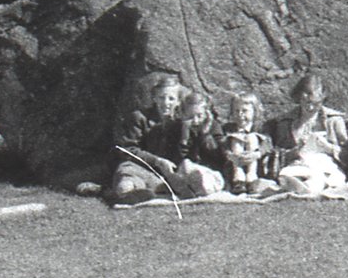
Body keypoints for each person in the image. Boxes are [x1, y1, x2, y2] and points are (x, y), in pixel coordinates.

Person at [109, 75, 207, 203]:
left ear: (178, 101)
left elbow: (187, 154)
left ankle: (136, 192)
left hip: (168, 174)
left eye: (171, 99)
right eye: (161, 98)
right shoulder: (139, 118)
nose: (166, 103)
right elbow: (128, 150)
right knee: (127, 175)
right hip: (142, 167)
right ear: (154, 98)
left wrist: (186, 132)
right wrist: (157, 160)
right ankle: (127, 193)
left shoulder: (181, 122)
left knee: (182, 180)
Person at [271, 74, 348, 195]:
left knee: (327, 176)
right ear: (298, 98)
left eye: (316, 103)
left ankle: (308, 187)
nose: (310, 107)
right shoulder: (285, 122)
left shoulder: (334, 120)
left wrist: (328, 147)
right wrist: (296, 150)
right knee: (286, 173)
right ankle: (308, 186)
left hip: (325, 163)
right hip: (299, 163)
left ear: (323, 99)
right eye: (306, 102)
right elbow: (279, 153)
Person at [174, 91, 228, 196]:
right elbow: (177, 159)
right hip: (185, 171)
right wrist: (184, 137)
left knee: (204, 177)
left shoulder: (214, 127)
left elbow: (219, 156)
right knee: (186, 165)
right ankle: (192, 187)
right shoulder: (177, 128)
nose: (195, 121)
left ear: (207, 114)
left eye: (199, 116)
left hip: (209, 171)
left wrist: (205, 135)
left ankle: (199, 187)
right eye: (190, 117)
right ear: (182, 114)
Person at [220, 93, 272, 195]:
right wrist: (230, 155)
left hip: (255, 165)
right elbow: (222, 144)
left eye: (244, 111)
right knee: (235, 138)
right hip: (234, 164)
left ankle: (251, 179)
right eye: (236, 111)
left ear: (254, 112)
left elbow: (268, 144)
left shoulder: (261, 128)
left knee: (252, 137)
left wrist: (257, 154)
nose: (240, 115)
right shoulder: (227, 128)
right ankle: (238, 181)